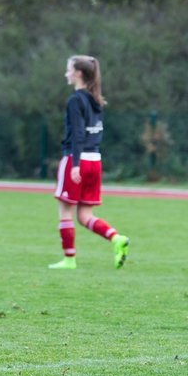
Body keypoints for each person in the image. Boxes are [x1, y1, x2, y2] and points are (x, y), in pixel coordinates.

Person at [48, 55, 130, 270]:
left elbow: (77, 133)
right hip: (95, 160)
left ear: (78, 73)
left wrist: (74, 164)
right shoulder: (96, 99)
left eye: (68, 70)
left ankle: (69, 259)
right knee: (85, 215)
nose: (66, 74)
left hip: (78, 160)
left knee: (65, 212)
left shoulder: (75, 99)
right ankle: (116, 238)